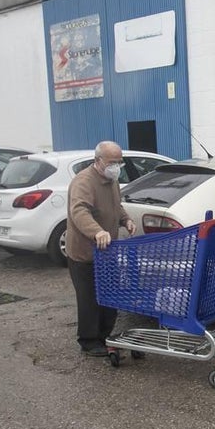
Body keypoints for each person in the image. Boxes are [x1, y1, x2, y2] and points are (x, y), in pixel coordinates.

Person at [66, 141, 136, 357]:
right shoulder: (84, 182)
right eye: (111, 162)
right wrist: (96, 232)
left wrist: (125, 220)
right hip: (85, 253)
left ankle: (104, 335)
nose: (116, 166)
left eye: (119, 162)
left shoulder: (112, 179)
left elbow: (116, 205)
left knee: (109, 296)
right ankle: (88, 341)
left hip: (108, 251)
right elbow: (79, 211)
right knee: (89, 299)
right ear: (98, 161)